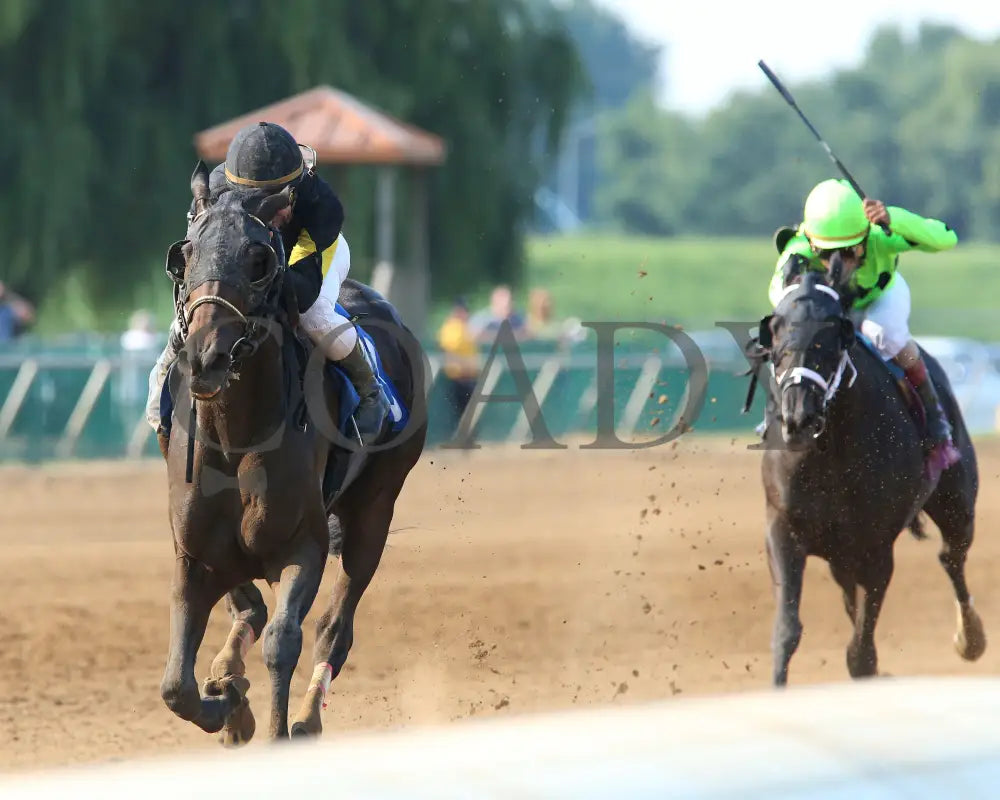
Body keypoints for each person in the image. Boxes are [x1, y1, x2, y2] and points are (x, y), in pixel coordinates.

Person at [145, 121, 390, 448]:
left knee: (314, 316)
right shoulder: (217, 192)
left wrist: (273, 275)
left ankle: (370, 391)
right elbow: (202, 255)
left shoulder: (321, 207)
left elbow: (302, 291)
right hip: (249, 251)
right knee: (191, 317)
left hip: (311, 249)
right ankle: (159, 387)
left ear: (295, 188)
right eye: (255, 198)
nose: (268, 206)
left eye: (275, 198)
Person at [765, 177, 961, 480]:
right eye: (827, 255)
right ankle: (781, 413)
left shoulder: (881, 237)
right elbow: (778, 292)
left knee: (885, 334)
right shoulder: (799, 248)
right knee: (794, 336)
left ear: (864, 239)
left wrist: (894, 218)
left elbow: (946, 238)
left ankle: (936, 419)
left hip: (880, 298)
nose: (837, 263)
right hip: (830, 305)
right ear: (811, 241)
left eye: (847, 252)